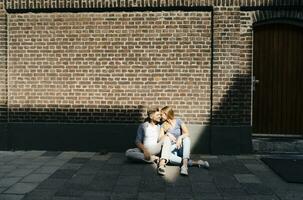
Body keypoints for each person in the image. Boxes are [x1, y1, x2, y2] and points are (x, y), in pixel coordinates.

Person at [161, 106, 209, 176]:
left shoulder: (178, 121)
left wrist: (180, 137)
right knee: (168, 157)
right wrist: (168, 134)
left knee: (186, 139)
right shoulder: (163, 125)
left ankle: (184, 167)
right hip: (172, 150)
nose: (161, 116)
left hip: (180, 147)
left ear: (166, 114)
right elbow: (160, 138)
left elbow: (187, 133)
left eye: (162, 114)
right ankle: (196, 163)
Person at [125, 107, 171, 175]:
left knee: (167, 139)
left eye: (160, 115)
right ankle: (154, 159)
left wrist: (166, 135)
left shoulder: (160, 126)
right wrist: (145, 150)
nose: (160, 117)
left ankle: (161, 164)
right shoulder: (143, 126)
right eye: (158, 115)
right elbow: (137, 141)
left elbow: (160, 139)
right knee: (128, 153)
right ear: (151, 116)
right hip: (144, 149)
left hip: (155, 148)